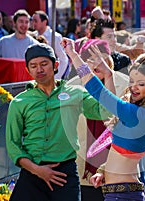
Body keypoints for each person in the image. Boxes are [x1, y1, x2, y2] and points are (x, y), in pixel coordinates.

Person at [62, 37, 145, 201]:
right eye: (132, 81)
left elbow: (100, 93)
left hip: (123, 195)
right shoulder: (143, 111)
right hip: (120, 192)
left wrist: (73, 55)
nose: (133, 87)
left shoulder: (140, 114)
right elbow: (108, 110)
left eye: (141, 83)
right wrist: (105, 171)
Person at [6, 43, 112, 201]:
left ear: (56, 65)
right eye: (33, 66)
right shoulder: (19, 102)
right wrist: (37, 170)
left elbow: (106, 111)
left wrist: (108, 76)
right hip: (31, 174)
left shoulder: (75, 93)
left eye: (44, 64)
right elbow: (13, 146)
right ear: (28, 70)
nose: (39, 70)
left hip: (65, 174)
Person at [31, 10, 69, 79]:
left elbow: (63, 59)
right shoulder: (33, 35)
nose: (33, 23)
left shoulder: (55, 37)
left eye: (36, 21)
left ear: (44, 22)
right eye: (32, 21)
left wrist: (56, 77)